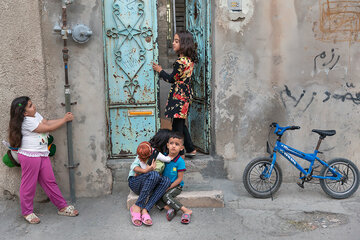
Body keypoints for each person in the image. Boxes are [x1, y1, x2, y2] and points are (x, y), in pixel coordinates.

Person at [8, 96, 79, 224]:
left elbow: (46, 122)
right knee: (28, 184)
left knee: (49, 181)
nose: (34, 106)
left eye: (32, 103)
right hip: (30, 155)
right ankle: (27, 212)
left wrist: (63, 119)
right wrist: (64, 120)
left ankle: (62, 207)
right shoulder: (27, 121)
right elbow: (46, 129)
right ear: (24, 113)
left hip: (41, 153)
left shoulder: (35, 116)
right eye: (30, 106)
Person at [153, 30, 197, 157]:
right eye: (174, 40)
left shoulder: (180, 62)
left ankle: (180, 153)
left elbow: (171, 78)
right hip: (186, 94)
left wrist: (160, 70)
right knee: (180, 123)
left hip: (178, 95)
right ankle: (190, 148)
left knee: (177, 126)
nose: (173, 43)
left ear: (184, 44)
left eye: (176, 41)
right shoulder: (189, 60)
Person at [128, 141, 171, 226]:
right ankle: (137, 206)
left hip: (150, 184)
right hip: (135, 182)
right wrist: (145, 170)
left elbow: (168, 159)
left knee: (166, 181)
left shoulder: (155, 154)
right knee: (154, 174)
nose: (142, 159)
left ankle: (146, 209)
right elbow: (133, 167)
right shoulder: (141, 154)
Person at [156, 132, 193, 224]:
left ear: (181, 148)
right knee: (155, 195)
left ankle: (186, 210)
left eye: (177, 144)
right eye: (171, 143)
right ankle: (169, 209)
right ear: (167, 145)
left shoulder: (180, 162)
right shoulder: (163, 157)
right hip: (164, 184)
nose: (173, 146)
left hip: (176, 186)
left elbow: (179, 179)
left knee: (166, 196)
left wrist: (169, 187)